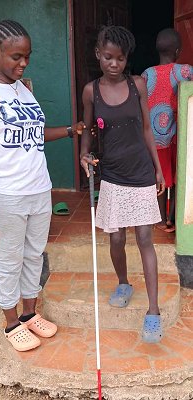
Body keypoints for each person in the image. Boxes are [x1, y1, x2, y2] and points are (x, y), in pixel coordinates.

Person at [0, 19, 85, 352]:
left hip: (38, 190)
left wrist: (71, 131)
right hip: (4, 195)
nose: (23, 63)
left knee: (33, 256)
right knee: (7, 260)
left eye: (27, 56)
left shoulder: (23, 90)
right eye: (16, 56)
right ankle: (11, 322)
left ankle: (30, 314)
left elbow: (34, 134)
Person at [80, 25, 165, 343]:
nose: (113, 64)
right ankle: (123, 282)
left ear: (126, 58)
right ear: (98, 55)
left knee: (145, 238)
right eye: (107, 57)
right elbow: (88, 128)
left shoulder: (138, 84)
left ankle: (153, 312)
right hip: (113, 175)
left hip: (141, 172)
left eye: (119, 58)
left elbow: (146, 128)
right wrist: (83, 153)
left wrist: (158, 169)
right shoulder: (91, 91)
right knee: (116, 240)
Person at [142, 28, 193, 232]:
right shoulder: (186, 71)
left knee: (160, 177)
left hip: (156, 138)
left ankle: (162, 220)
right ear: (178, 51)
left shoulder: (147, 73)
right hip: (179, 137)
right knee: (180, 175)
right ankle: (175, 218)